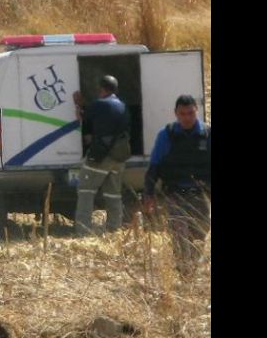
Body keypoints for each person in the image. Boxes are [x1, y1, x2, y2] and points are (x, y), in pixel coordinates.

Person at [144, 94, 211, 277]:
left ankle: (191, 271)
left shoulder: (207, 134)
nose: (187, 118)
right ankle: (184, 273)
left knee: (198, 236)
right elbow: (154, 166)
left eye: (191, 113)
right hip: (175, 194)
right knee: (179, 236)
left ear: (197, 111)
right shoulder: (167, 135)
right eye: (183, 114)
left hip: (201, 195)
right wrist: (148, 194)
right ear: (176, 114)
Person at [73, 75, 131, 235]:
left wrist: (78, 104)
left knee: (86, 191)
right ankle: (114, 230)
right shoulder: (123, 106)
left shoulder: (99, 104)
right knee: (113, 195)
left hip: (101, 156)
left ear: (101, 89)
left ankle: (83, 231)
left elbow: (81, 117)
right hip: (119, 158)